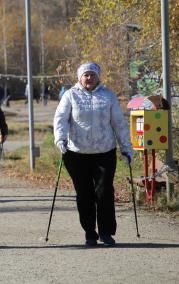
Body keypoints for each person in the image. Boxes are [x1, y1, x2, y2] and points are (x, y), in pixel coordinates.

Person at [53, 62, 133, 247]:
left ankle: (106, 232)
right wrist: (61, 139)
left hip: (104, 152)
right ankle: (90, 232)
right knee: (84, 193)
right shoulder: (70, 95)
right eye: (85, 75)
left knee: (104, 191)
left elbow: (119, 123)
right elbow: (60, 119)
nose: (89, 78)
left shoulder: (108, 96)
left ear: (98, 77)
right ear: (79, 78)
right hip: (76, 153)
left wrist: (126, 147)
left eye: (92, 75)